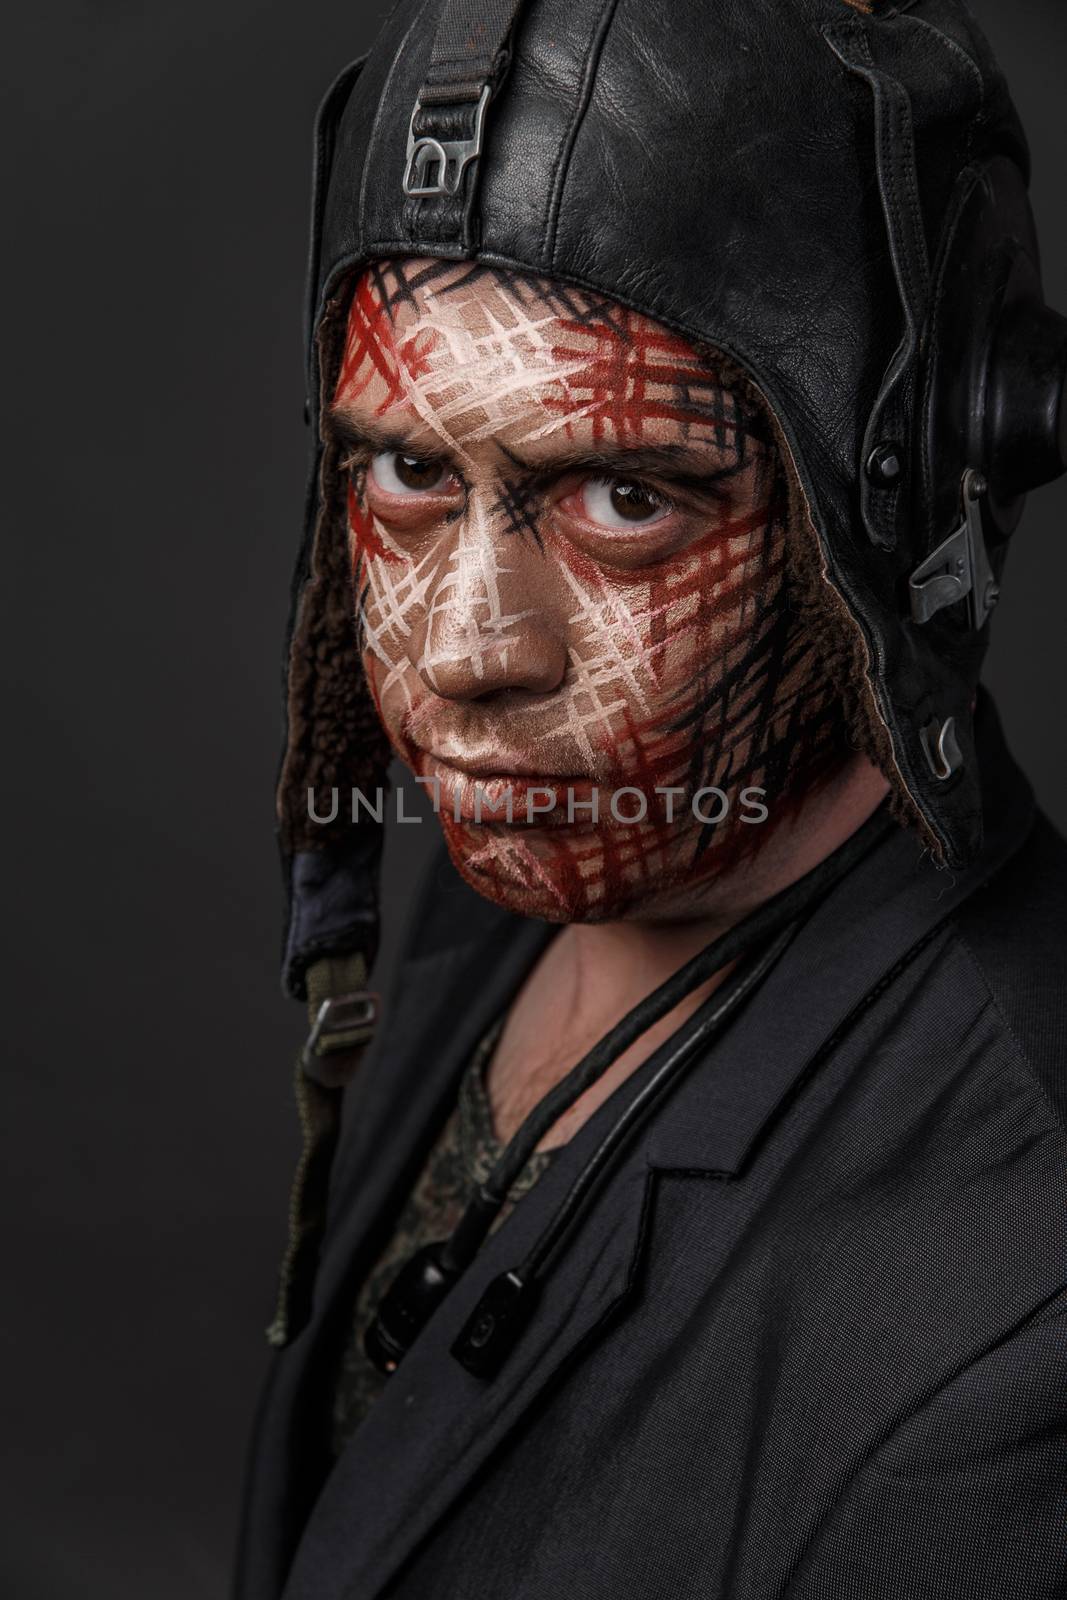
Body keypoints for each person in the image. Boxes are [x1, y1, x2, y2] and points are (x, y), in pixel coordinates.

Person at [237, 2, 1067, 1596]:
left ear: (891, 512)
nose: (471, 653)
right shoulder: (524, 883)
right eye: (407, 476)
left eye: (626, 498)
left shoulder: (1017, 1307)